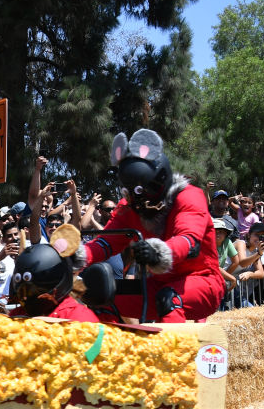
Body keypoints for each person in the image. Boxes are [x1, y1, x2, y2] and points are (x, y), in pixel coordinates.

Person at [83, 129, 224, 323]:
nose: (141, 207)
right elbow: (105, 243)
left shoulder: (189, 196)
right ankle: (113, 351)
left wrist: (157, 252)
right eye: (133, 196)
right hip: (158, 285)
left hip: (203, 282)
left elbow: (187, 239)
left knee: (169, 299)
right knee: (102, 297)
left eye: (144, 195)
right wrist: (73, 256)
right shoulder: (129, 207)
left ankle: (171, 353)